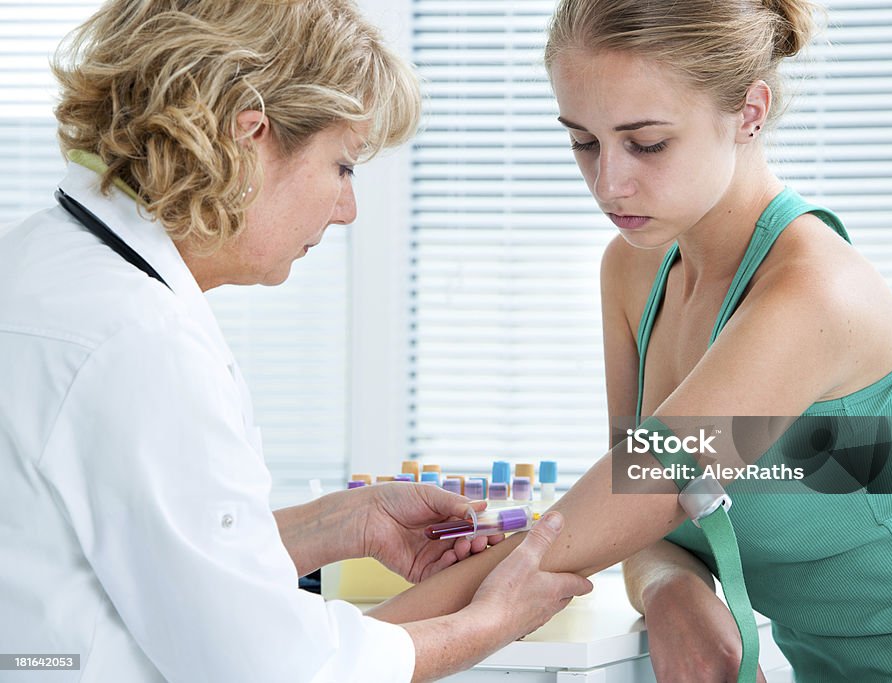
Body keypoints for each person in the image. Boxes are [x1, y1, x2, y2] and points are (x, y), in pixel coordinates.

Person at [366, 0, 892, 681]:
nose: (608, 182)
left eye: (647, 143)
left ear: (750, 112)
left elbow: (591, 529)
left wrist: (332, 653)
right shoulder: (632, 268)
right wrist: (669, 587)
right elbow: (637, 522)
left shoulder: (810, 295)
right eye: (584, 141)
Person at [0, 1, 592, 681]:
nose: (348, 209)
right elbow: (272, 669)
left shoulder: (34, 267)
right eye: (342, 166)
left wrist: (343, 521)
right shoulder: (139, 343)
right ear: (249, 135)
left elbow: (142, 557)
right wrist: (489, 622)